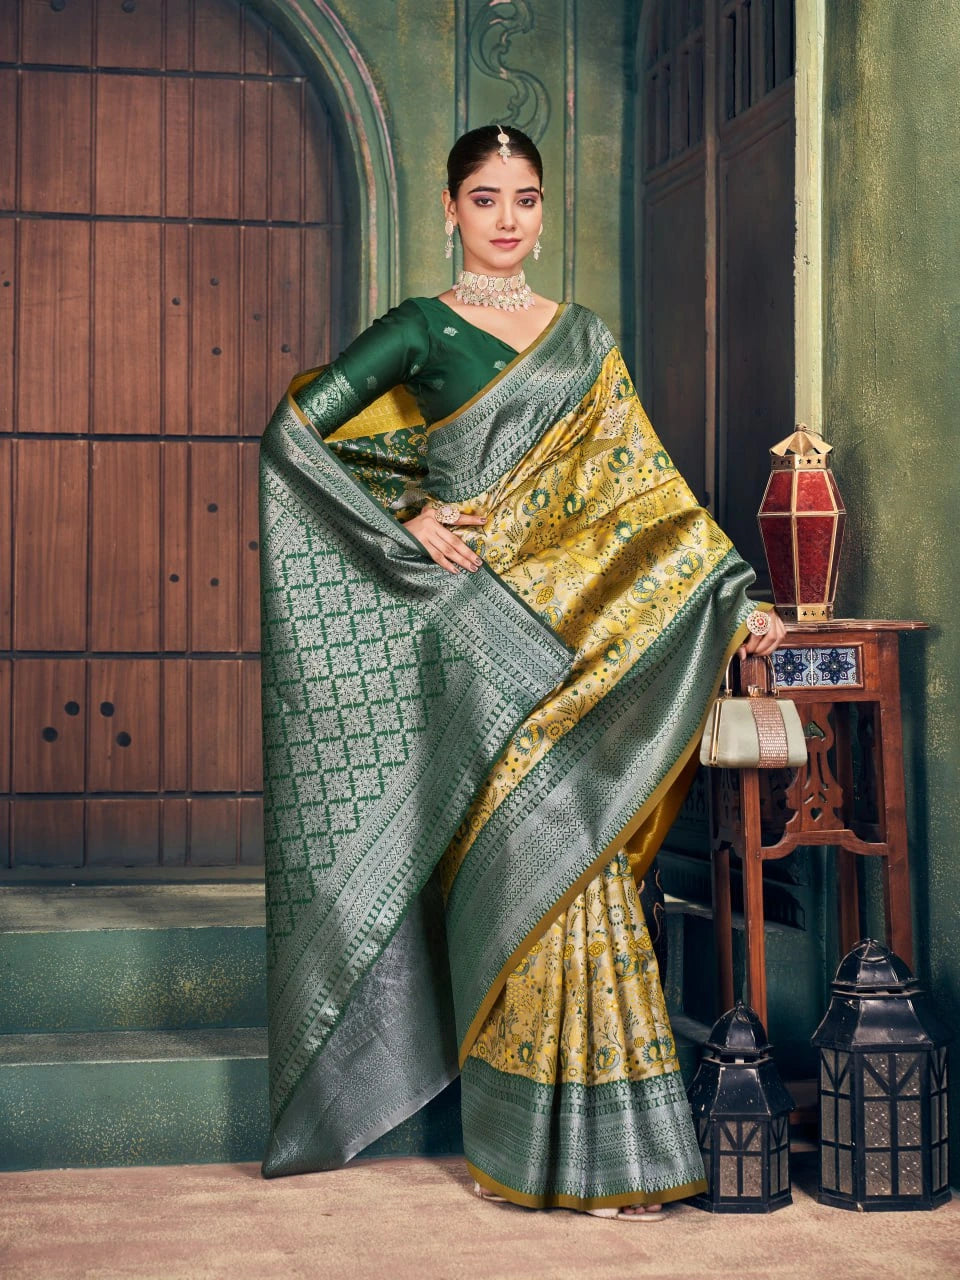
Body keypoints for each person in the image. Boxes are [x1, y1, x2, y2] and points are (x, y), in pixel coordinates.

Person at [257, 124, 786, 1218]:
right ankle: (524, 1139)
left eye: (526, 197)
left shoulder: (583, 340)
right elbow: (297, 438)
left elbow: (647, 494)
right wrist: (407, 514)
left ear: (543, 212)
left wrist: (736, 597)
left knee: (586, 868)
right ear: (450, 209)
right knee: (521, 865)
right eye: (486, 197)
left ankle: (610, 1154)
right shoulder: (420, 328)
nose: (507, 218)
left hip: (589, 637)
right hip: (482, 640)